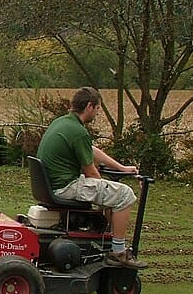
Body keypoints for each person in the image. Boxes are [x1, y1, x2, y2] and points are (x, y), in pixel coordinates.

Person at [36, 86, 146, 269]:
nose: (97, 113)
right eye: (97, 109)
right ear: (89, 106)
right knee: (125, 195)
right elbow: (92, 175)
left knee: (112, 192)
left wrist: (121, 168)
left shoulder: (63, 123)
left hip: (53, 184)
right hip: (65, 187)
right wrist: (108, 183)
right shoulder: (78, 131)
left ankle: (105, 239)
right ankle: (118, 252)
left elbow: (90, 151)